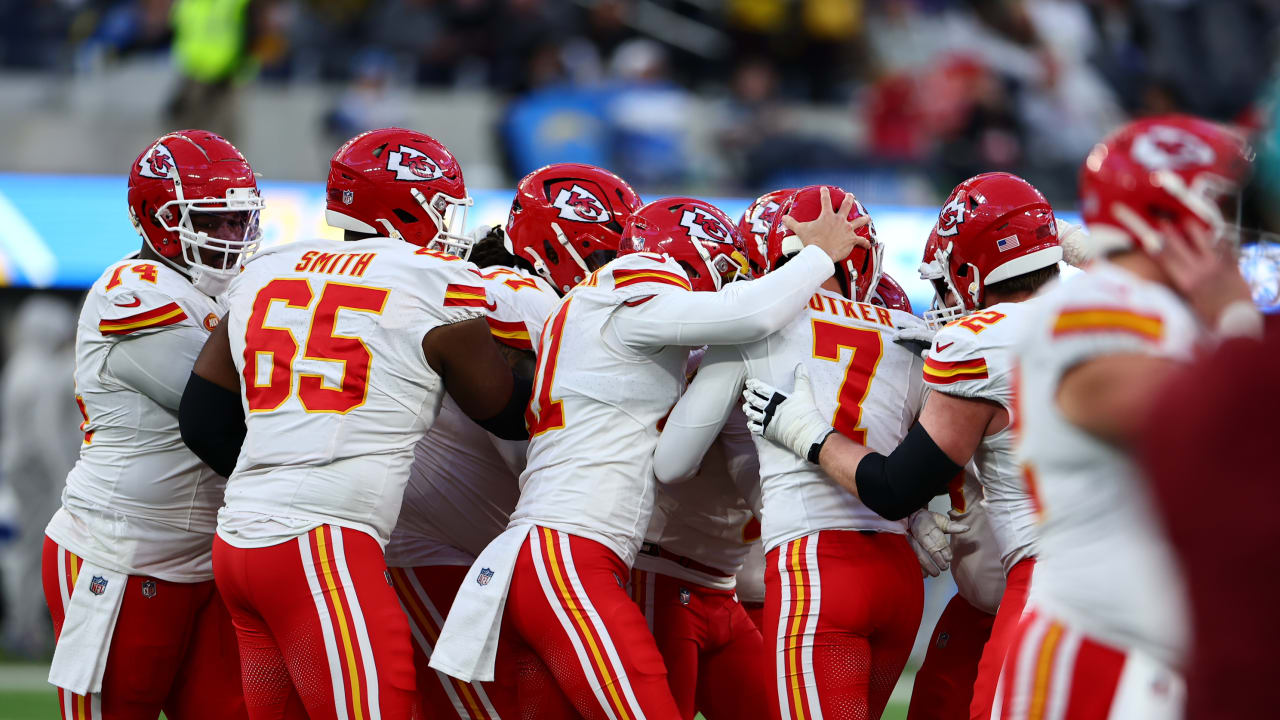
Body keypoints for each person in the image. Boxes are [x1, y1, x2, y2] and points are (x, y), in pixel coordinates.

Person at [430, 190, 864, 719]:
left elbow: (673, 458)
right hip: (568, 556)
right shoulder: (629, 282)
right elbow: (746, 313)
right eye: (727, 268)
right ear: (685, 253)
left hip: (552, 555)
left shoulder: (602, 313)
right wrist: (819, 256)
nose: (732, 282)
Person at [179, 127, 532, 720]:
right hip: (323, 546)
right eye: (442, 206)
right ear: (406, 204)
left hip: (239, 542)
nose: (448, 223)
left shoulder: (267, 269)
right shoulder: (432, 280)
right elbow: (505, 411)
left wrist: (282, 472)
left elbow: (203, 418)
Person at [745, 172, 1066, 720]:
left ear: (969, 271)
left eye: (944, 282)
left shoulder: (980, 341)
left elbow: (894, 487)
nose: (942, 302)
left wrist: (807, 433)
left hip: (1048, 576)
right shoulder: (1114, 301)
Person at [995, 115, 1259, 719]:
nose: (1234, 224)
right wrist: (1238, 331)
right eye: (1220, 199)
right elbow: (1210, 430)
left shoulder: (1169, 311)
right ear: (1166, 212)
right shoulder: (1096, 305)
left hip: (1160, 657)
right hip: (1100, 651)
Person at [654, 185, 929, 720]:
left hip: (817, 566)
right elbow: (932, 462)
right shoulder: (911, 333)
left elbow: (673, 462)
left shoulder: (756, 326)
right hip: (899, 573)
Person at [384, 162, 642, 719]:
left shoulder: (504, 284)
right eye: (607, 252)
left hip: (475, 548)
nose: (620, 268)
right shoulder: (519, 293)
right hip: (443, 552)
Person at [43, 129, 261, 720]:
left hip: (207, 553)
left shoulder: (225, 285)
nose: (231, 236)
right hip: (122, 548)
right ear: (158, 219)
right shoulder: (132, 294)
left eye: (240, 220)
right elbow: (224, 413)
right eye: (213, 221)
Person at [0, 296, 78, 657]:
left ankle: (26, 625)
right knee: (37, 551)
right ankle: (26, 628)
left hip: (24, 467)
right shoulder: (40, 371)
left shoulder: (20, 365)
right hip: (36, 472)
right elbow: (46, 432)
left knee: (31, 551)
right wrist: (63, 474)